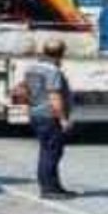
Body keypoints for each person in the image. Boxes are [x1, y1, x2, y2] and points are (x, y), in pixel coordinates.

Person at [24, 39, 75, 199]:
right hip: (49, 115)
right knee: (51, 152)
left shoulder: (32, 68)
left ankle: (54, 186)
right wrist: (63, 118)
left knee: (47, 150)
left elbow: (24, 89)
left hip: (36, 113)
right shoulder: (53, 71)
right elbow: (54, 96)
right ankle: (49, 189)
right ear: (60, 53)